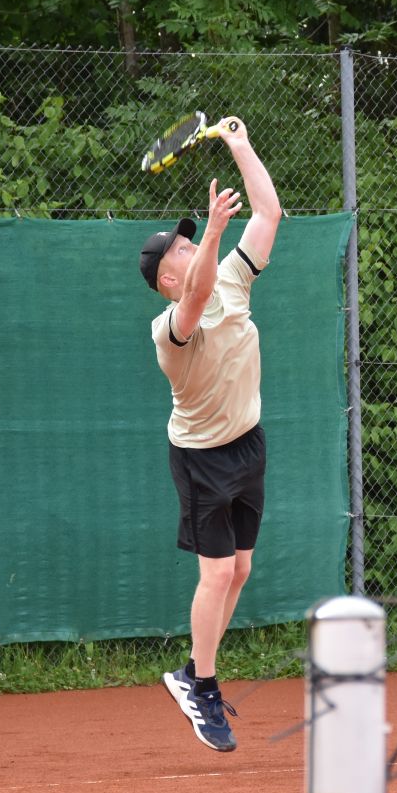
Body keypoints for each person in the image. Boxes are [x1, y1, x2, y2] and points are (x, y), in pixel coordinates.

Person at [136, 116, 280, 751]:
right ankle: (203, 687)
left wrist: (240, 145)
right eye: (179, 249)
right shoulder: (170, 328)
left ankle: (191, 673)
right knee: (216, 575)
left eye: (190, 242)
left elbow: (269, 214)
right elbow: (195, 299)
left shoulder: (234, 280)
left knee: (241, 569)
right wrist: (216, 229)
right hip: (200, 458)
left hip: (247, 443)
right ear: (166, 279)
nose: (190, 247)